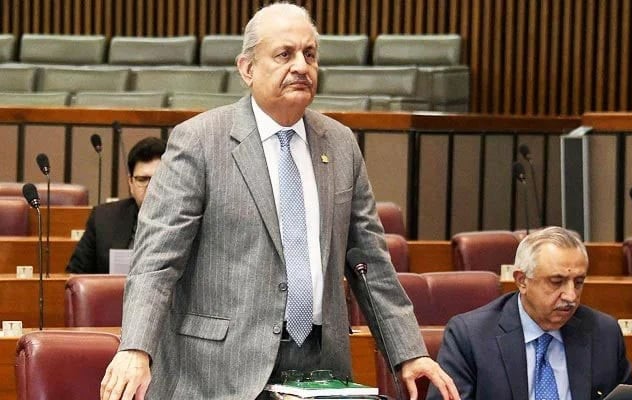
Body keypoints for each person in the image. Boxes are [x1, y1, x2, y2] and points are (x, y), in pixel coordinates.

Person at [99, 3, 459, 400]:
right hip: (218, 371)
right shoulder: (199, 141)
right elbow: (156, 261)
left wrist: (408, 351)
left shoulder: (340, 144)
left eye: (310, 54)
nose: (301, 66)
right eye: (285, 55)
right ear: (247, 68)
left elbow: (369, 261)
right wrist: (135, 347)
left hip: (319, 368)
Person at [427, 226, 632, 400]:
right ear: (522, 281)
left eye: (578, 283)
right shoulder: (470, 336)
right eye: (556, 282)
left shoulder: (603, 333)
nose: (571, 296)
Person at [66, 136, 166, 274]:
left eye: (158, 179)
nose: (150, 187)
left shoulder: (189, 219)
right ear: (130, 183)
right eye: (142, 179)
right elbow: (75, 276)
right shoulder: (104, 219)